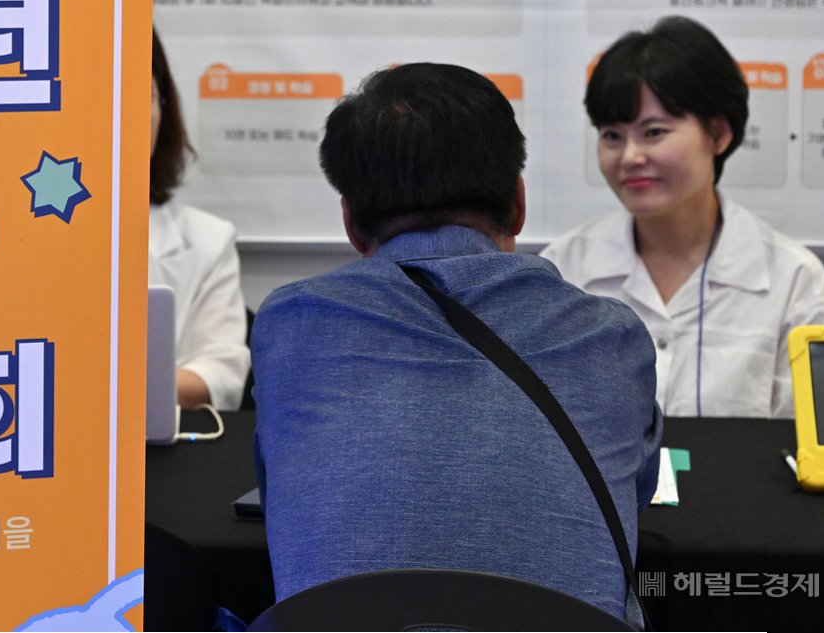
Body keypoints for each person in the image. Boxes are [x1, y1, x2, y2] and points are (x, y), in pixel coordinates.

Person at [251, 63, 662, 627]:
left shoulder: (290, 324)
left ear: (350, 220)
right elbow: (632, 498)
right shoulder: (611, 337)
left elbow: (280, 493)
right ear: (518, 203)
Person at [541, 16, 824, 418]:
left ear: (719, 134)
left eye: (654, 132)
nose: (630, 156)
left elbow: (823, 442)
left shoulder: (796, 284)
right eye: (612, 136)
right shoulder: (561, 272)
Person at [149, 29, 250, 411]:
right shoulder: (5, 232)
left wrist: (107, 390)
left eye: (142, 95)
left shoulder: (206, 238)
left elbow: (221, 374)